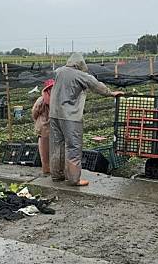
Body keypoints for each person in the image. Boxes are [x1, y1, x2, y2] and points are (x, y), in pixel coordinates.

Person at [49, 53, 123, 186]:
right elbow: (96, 85)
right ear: (79, 64)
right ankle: (73, 179)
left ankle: (56, 175)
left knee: (57, 145)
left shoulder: (58, 71)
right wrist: (110, 93)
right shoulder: (79, 74)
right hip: (69, 116)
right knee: (73, 147)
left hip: (54, 114)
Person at [32, 79, 55, 175]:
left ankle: (46, 167)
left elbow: (34, 113)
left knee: (44, 151)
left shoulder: (41, 99)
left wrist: (38, 121)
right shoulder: (57, 99)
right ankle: (51, 168)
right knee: (52, 149)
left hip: (43, 129)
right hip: (52, 128)